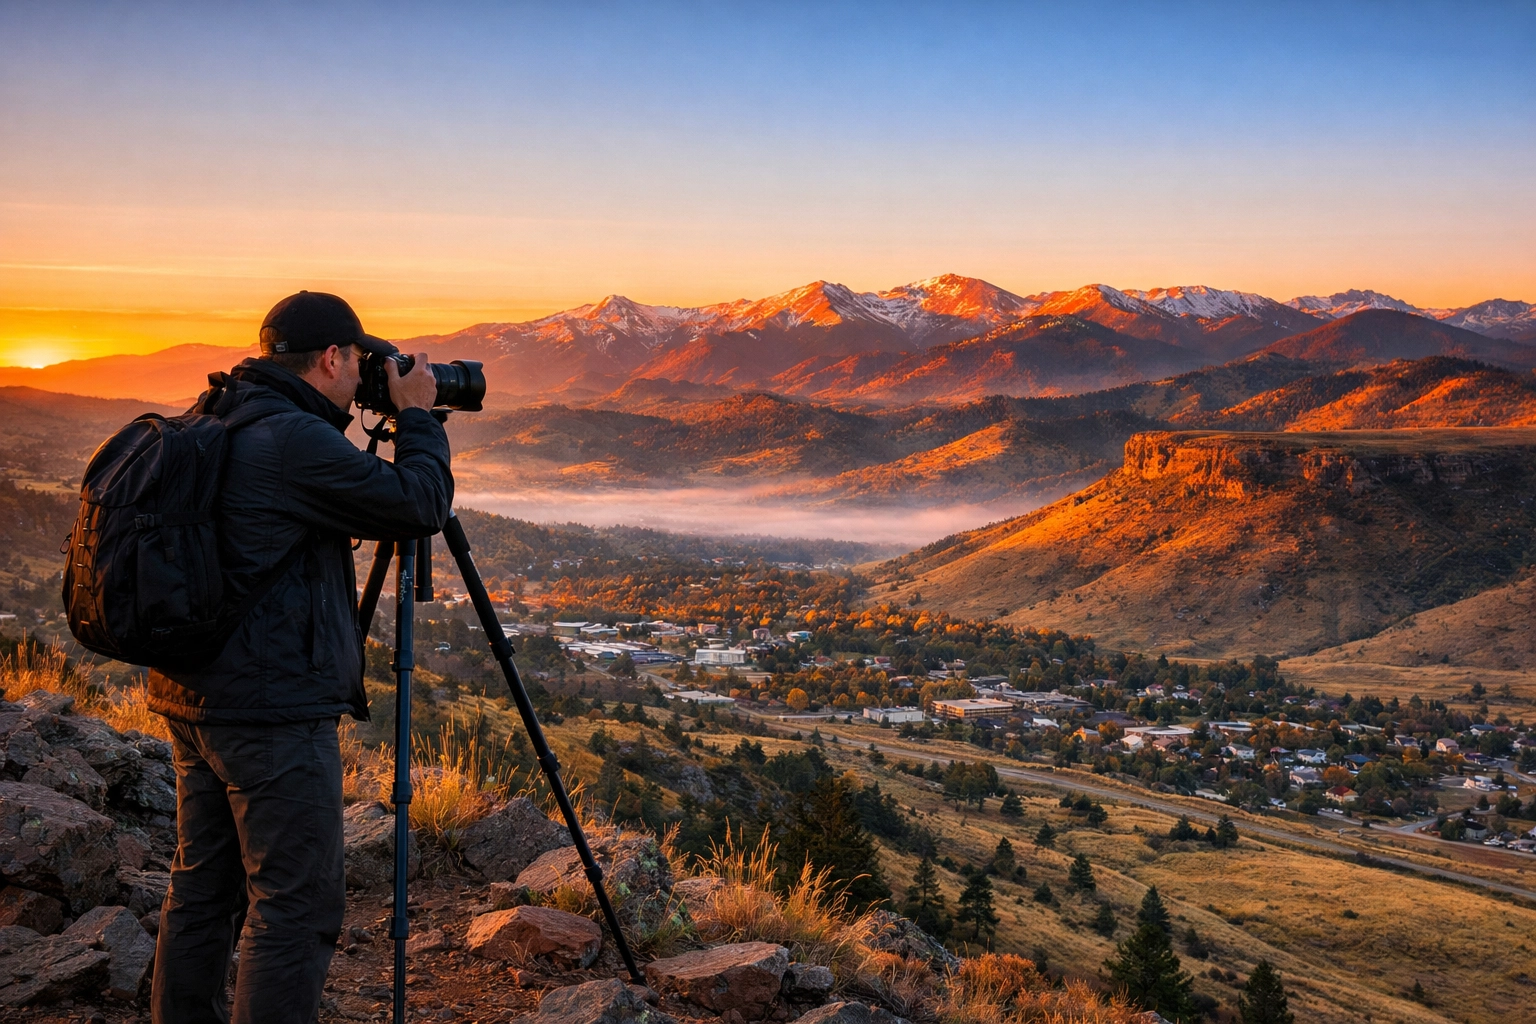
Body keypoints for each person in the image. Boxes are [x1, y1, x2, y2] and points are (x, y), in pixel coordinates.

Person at [148, 291, 454, 1024]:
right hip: (270, 709)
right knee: (294, 904)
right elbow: (419, 504)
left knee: (203, 887)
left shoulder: (217, 411)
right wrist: (414, 418)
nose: (361, 377)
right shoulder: (292, 438)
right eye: (357, 362)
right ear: (331, 359)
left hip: (193, 693)